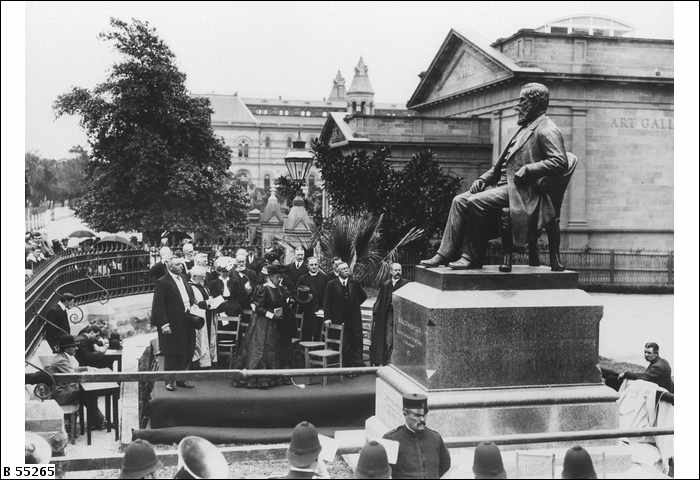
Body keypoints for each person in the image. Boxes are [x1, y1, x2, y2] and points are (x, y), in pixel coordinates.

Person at [420, 82, 569, 270]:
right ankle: (444, 254)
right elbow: (500, 167)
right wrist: (483, 179)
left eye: (522, 101)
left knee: (475, 202)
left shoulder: (547, 129)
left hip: (523, 192)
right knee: (459, 200)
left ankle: (471, 257)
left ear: (536, 103)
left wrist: (530, 169)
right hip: (503, 187)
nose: (518, 106)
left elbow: (560, 161)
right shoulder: (524, 128)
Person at [233, 264, 291, 388]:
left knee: (271, 348)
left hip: (274, 324)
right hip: (262, 323)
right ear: (270, 277)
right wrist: (271, 315)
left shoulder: (279, 288)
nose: (279, 279)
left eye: (279, 277)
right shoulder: (263, 288)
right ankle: (258, 378)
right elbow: (257, 307)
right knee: (260, 349)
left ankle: (270, 377)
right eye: (277, 277)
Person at [151, 257, 196, 391]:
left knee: (187, 349)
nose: (181, 266)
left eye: (181, 264)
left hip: (187, 320)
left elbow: (188, 296)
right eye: (177, 264)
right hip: (172, 322)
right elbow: (159, 305)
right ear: (170, 266)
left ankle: (182, 378)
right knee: (172, 352)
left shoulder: (183, 278)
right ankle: (169, 381)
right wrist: (164, 324)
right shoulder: (162, 282)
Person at [382, 393, 450, 479]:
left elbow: (445, 465)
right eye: (417, 415)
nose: (422, 419)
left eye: (424, 414)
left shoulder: (435, 438)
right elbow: (383, 473)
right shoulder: (391, 439)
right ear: (405, 413)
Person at [45, 335, 105, 430]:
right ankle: (99, 421)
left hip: (64, 391)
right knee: (89, 394)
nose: (76, 348)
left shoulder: (63, 357)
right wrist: (88, 372)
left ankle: (98, 421)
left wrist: (86, 368)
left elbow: (72, 370)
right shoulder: (61, 360)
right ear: (66, 348)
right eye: (73, 346)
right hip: (60, 395)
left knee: (88, 393)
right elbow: (73, 376)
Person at [323, 262, 367, 367]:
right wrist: (327, 317)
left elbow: (363, 296)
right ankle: (345, 366)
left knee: (355, 340)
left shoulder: (355, 283)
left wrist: (353, 305)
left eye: (347, 268)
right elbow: (327, 302)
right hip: (339, 318)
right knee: (344, 343)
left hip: (354, 318)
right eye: (343, 269)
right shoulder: (331, 284)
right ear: (338, 272)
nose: (346, 270)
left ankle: (356, 365)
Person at [370, 263, 408, 366]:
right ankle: (385, 359)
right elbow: (380, 300)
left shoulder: (405, 284)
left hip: (400, 316)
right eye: (395, 270)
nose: (398, 272)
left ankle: (395, 360)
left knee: (397, 337)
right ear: (391, 272)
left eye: (399, 270)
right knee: (387, 337)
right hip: (386, 315)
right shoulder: (385, 284)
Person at [189, 265, 218, 369]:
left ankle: (209, 361)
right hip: (200, 316)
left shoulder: (203, 286)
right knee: (201, 340)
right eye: (202, 276)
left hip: (208, 315)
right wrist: (208, 303)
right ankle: (201, 362)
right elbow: (196, 303)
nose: (204, 279)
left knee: (210, 337)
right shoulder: (191, 287)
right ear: (195, 276)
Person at [296, 257, 328, 341]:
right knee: (306, 334)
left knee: (319, 335)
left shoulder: (324, 278)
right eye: (311, 265)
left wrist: (323, 309)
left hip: (320, 312)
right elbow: (299, 296)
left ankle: (317, 352)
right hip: (307, 311)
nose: (314, 266)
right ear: (307, 266)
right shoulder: (302, 278)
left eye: (315, 264)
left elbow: (326, 296)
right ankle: (305, 352)